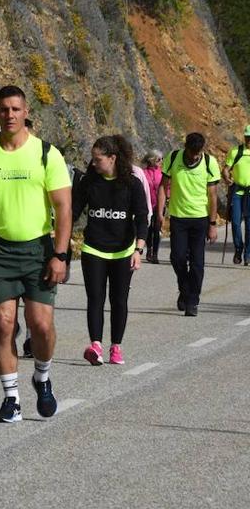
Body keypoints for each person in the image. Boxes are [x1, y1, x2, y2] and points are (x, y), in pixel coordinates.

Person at [0, 86, 72, 424]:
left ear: (26, 112)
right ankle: (11, 399)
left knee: (41, 326)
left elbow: (64, 206)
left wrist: (61, 254)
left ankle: (42, 375)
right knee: (3, 323)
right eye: (3, 109)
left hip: (39, 250)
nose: (9, 115)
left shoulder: (46, 154)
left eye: (15, 109)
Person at [73, 136, 148, 366]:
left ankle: (116, 346)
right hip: (93, 248)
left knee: (119, 300)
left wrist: (138, 249)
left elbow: (142, 218)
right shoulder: (89, 182)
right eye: (93, 159)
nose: (94, 163)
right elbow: (74, 211)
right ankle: (96, 345)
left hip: (123, 252)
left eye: (98, 159)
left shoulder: (132, 184)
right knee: (95, 299)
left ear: (112, 158)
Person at [158, 132, 220, 316]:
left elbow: (213, 196)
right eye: (191, 152)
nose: (194, 156)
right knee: (177, 257)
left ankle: (192, 300)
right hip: (178, 218)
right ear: (185, 147)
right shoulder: (174, 157)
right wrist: (160, 213)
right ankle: (184, 289)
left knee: (197, 263)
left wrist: (213, 223)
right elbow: (163, 185)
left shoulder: (210, 163)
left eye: (197, 153)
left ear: (202, 150)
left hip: (200, 219)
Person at [223, 126, 250, 265]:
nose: (249, 140)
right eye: (247, 137)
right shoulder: (236, 152)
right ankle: (238, 249)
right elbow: (226, 170)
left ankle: (248, 254)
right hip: (237, 192)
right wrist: (227, 178)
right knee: (235, 222)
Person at [141, 150, 164, 263]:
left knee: (157, 229)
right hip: (147, 205)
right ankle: (149, 250)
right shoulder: (143, 173)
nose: (161, 161)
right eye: (159, 159)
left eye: (162, 159)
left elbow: (167, 186)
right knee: (149, 229)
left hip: (160, 205)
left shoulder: (162, 173)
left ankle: (155, 254)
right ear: (152, 160)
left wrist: (168, 196)